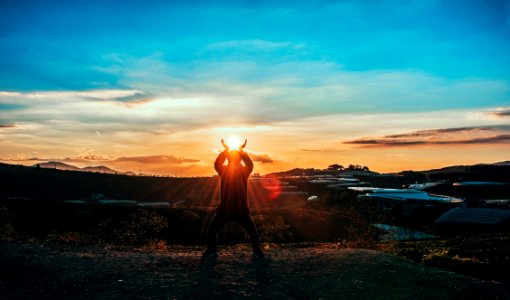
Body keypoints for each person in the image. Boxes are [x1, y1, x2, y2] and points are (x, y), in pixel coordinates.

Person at [202, 139, 264, 259]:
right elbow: (250, 164)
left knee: (212, 229)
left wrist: (226, 150)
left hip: (226, 209)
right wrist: (241, 151)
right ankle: (257, 251)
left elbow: (217, 164)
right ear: (240, 160)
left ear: (228, 160)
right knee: (252, 232)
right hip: (240, 209)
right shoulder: (244, 171)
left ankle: (212, 250)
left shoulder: (224, 171)